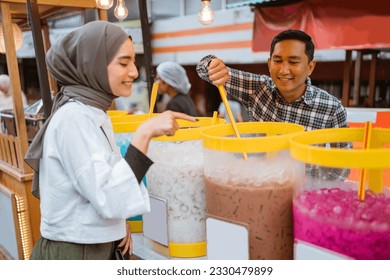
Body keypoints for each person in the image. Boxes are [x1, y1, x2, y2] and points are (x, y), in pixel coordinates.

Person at [24, 21, 196, 260]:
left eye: (133, 62)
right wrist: (144, 133)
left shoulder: (93, 112)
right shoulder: (74, 118)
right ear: (91, 65)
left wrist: (117, 223)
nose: (134, 72)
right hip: (75, 253)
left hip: (94, 245)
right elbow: (110, 198)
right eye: (124, 63)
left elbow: (103, 182)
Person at [196, 29, 351, 180]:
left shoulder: (331, 108)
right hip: (259, 187)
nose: (284, 70)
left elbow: (344, 161)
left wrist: (319, 190)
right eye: (277, 61)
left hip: (301, 198)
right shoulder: (257, 89)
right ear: (269, 63)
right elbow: (203, 68)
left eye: (293, 62)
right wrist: (212, 65)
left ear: (310, 67)